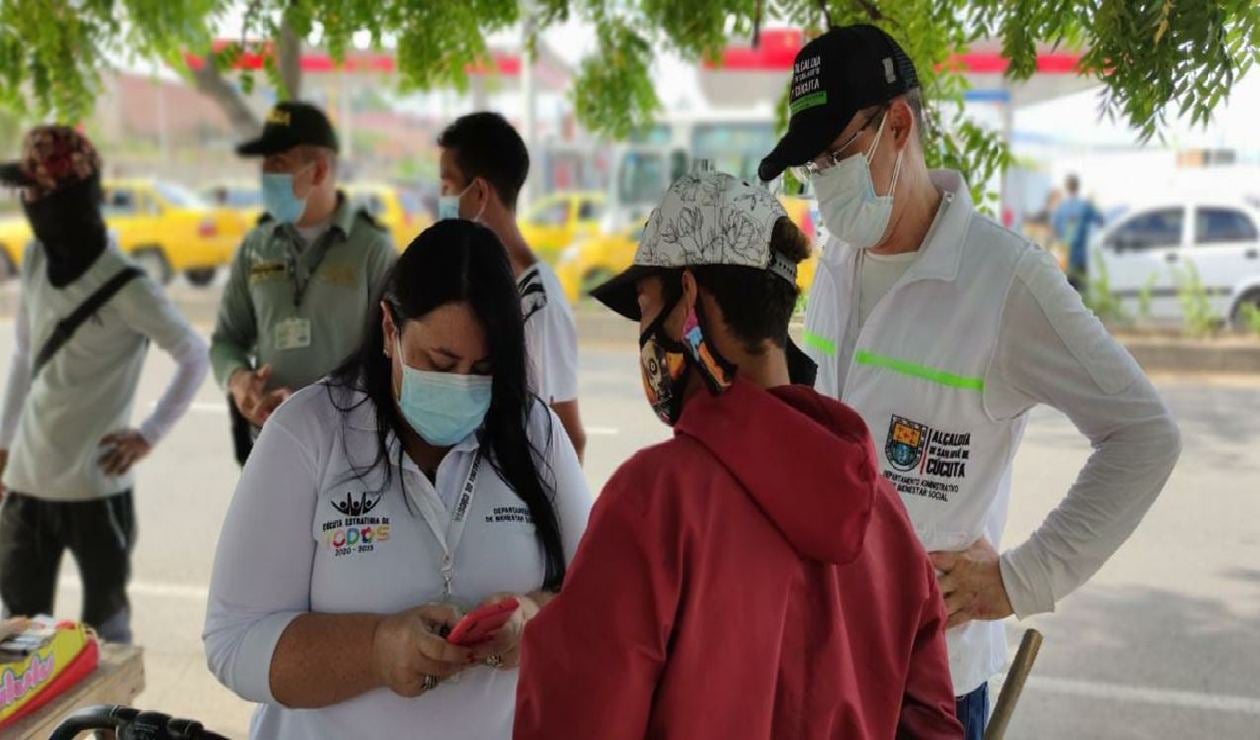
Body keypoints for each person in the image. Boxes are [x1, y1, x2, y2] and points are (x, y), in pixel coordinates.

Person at [758, 25, 1181, 739]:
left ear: (898, 125)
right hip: (818, 662)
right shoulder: (832, 264)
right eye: (813, 165)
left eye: (836, 155)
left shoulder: (1005, 279)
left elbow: (1144, 435)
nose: (824, 180)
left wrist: (1019, 579)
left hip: (929, 687)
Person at [514, 171, 962, 739]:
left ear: (689, 302)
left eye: (648, 307)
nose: (646, 334)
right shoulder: (886, 517)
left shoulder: (655, 502)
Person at [203, 220, 592, 739]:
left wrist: (531, 623)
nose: (463, 385)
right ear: (389, 329)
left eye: (484, 368)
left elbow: (599, 598)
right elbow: (233, 639)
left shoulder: (533, 430)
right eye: (441, 361)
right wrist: (377, 650)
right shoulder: (309, 432)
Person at [0, 126, 208, 643]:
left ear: (72, 196)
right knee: (19, 637)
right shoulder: (34, 259)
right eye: (24, 192)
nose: (28, 203)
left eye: (38, 192)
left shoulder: (128, 286)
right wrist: (5, 443)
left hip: (96, 489)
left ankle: (102, 727)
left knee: (107, 635)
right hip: (28, 486)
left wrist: (150, 432)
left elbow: (192, 354)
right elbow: (26, 355)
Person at [210, 101, 397, 466]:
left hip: (349, 450)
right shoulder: (256, 246)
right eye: (263, 165)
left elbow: (396, 356)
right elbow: (226, 341)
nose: (264, 175)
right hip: (270, 445)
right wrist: (238, 381)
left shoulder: (372, 251)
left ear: (320, 170)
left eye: (277, 164)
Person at [436, 112, 586, 461]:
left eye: (446, 187)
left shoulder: (536, 304)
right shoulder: (478, 281)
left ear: (479, 193)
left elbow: (566, 434)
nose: (440, 200)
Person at [1052, 174, 1104, 291]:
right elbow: (1100, 220)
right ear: (1078, 187)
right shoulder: (1085, 205)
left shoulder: (1060, 207)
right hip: (1080, 256)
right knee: (1080, 292)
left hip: (1065, 255)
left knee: (1066, 291)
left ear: (1066, 187)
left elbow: (1054, 228)